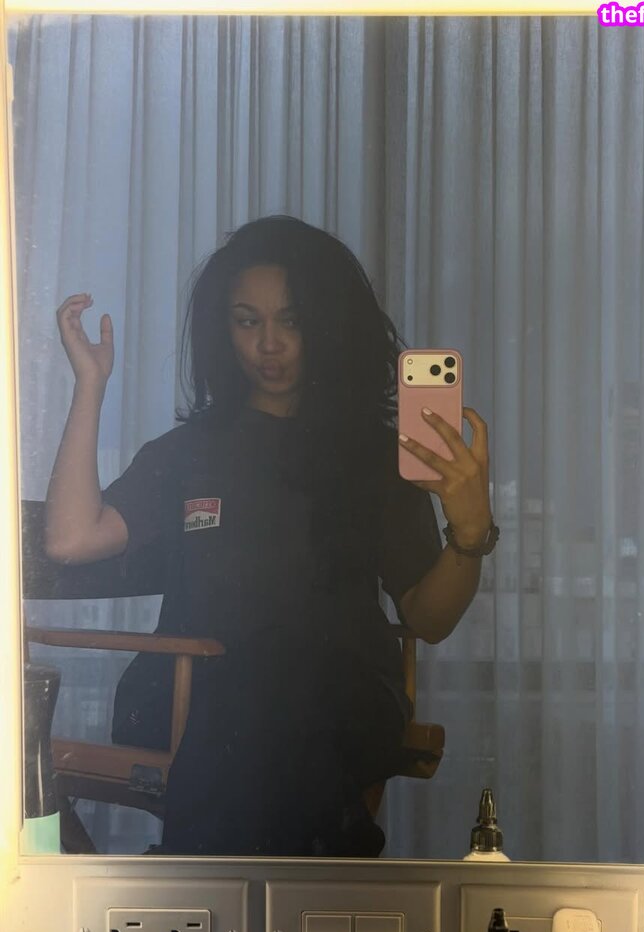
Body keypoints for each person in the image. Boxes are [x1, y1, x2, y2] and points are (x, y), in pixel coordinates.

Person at [45, 215, 497, 856]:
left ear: (326, 325)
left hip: (335, 702)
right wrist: (90, 386)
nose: (270, 344)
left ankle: (200, 877)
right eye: (247, 321)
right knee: (256, 691)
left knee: (287, 682)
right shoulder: (189, 452)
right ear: (221, 330)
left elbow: (430, 618)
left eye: (292, 320)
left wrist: (469, 533)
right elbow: (70, 540)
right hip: (194, 699)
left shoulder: (371, 457)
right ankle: (320, 866)